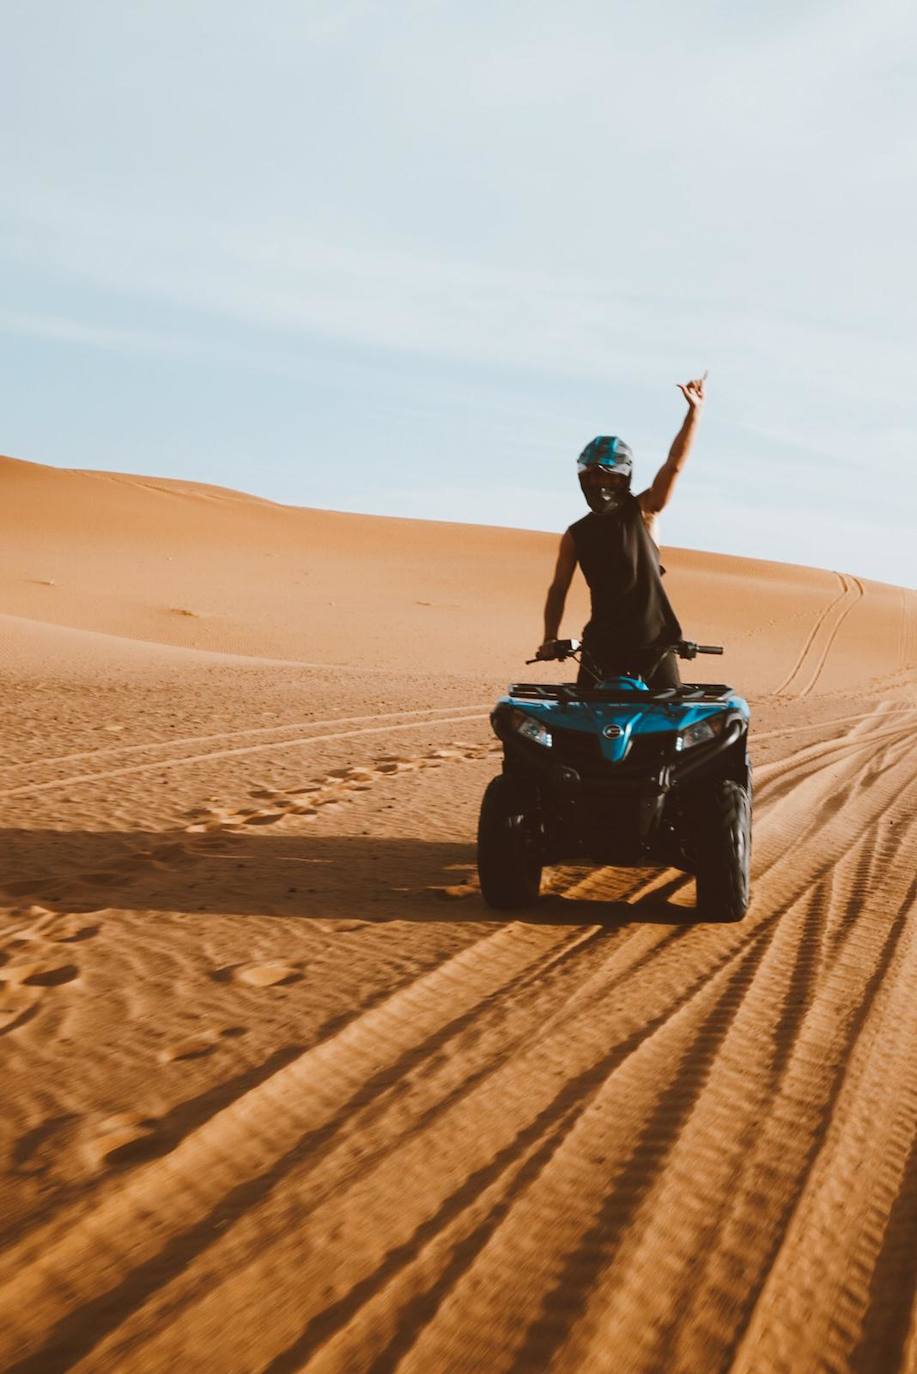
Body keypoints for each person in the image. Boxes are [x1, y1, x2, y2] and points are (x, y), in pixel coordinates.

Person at [536, 375, 706, 688]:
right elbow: (558, 588)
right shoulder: (576, 534)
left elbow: (673, 465)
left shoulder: (644, 511)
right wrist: (549, 637)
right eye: (592, 478)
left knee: (670, 726)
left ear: (624, 478)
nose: (600, 486)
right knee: (579, 728)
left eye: (609, 479)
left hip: (655, 645)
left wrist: (693, 413)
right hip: (601, 647)